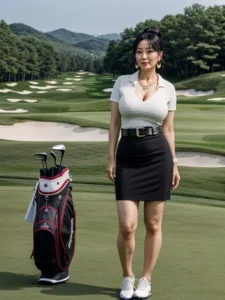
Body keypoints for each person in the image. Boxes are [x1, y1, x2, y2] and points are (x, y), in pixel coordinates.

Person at [107, 26, 180, 299]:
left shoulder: (168, 88)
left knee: (153, 224)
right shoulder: (121, 83)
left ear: (159, 55)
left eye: (149, 51)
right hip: (128, 154)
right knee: (127, 225)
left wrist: (174, 162)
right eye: (139, 51)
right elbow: (114, 123)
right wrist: (111, 157)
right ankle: (128, 276)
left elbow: (169, 129)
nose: (144, 56)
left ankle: (146, 279)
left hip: (157, 156)